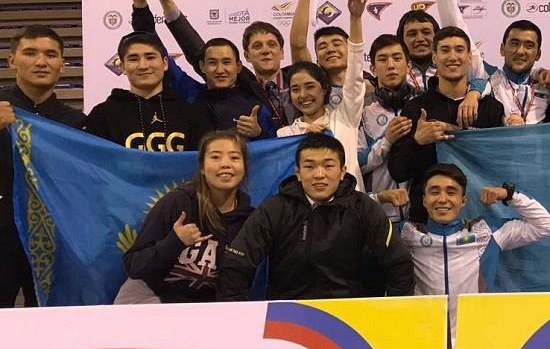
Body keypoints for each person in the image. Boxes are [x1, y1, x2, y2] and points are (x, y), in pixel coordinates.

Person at [216, 133, 415, 300]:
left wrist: (395, 312)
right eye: (309, 166)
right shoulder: (275, 208)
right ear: (298, 173)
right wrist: (239, 316)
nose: (319, 174)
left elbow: (399, 261)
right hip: (287, 316)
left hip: (348, 315)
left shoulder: (363, 207)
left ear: (342, 172)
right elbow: (236, 264)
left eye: (328, 166)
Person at [402, 163, 550, 337]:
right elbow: (373, 230)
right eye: (434, 192)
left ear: (463, 201)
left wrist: (510, 195)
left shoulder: (486, 232)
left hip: (475, 337)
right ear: (424, 200)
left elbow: (546, 225)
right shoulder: (408, 234)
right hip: (423, 337)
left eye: (451, 192)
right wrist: (380, 199)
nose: (442, 199)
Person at [126, 0, 277, 137]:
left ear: (238, 66)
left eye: (226, 62)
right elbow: (152, 48)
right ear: (202, 66)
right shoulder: (190, 93)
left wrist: (259, 134)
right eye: (212, 63)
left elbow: (276, 150)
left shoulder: (255, 107)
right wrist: (140, 6)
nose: (220, 70)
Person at [431, 0, 550, 125]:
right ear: (502, 48)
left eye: (529, 45)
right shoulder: (486, 77)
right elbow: (456, 29)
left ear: (538, 53)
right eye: (514, 43)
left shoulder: (548, 86)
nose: (520, 51)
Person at [0, 25, 86, 307]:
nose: (41, 61)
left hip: (55, 239)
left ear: (62, 64)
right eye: (30, 53)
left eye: (50, 54)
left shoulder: (77, 123)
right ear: (12, 60)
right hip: (3, 235)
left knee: (50, 322)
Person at [116, 131, 252, 303]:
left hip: (202, 308)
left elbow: (238, 284)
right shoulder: (177, 202)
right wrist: (174, 241)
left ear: (244, 167)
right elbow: (133, 265)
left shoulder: (249, 220)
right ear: (202, 167)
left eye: (234, 157)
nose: (225, 164)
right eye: (215, 157)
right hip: (150, 295)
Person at [388, 26, 505, 223]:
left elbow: (501, 164)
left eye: (459, 50)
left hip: (480, 218)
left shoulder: (491, 108)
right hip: (426, 222)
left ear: (469, 57)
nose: (452, 57)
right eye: (445, 50)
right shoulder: (415, 109)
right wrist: (417, 141)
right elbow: (398, 172)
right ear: (434, 57)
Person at [278, 0, 368, 191]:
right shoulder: (285, 135)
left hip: (351, 207)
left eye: (310, 87)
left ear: (324, 88)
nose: (303, 95)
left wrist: (355, 19)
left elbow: (355, 74)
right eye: (295, 89)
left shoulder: (345, 118)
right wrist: (304, 139)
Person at [84, 31, 209, 151]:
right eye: (133, 59)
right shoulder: (103, 115)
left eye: (150, 57)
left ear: (165, 63)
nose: (143, 66)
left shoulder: (191, 113)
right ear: (122, 67)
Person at [358, 33, 418, 222]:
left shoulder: (423, 105)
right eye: (383, 60)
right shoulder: (362, 112)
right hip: (379, 216)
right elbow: (356, 164)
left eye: (397, 58)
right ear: (373, 69)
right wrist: (387, 140)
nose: (391, 65)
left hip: (420, 216)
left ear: (408, 66)